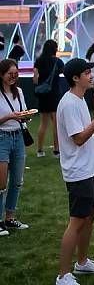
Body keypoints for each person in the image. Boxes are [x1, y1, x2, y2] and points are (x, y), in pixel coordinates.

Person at [55, 58, 94, 285]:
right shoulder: (69, 103)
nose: (91, 76)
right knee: (77, 220)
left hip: (91, 168)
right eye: (87, 73)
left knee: (90, 215)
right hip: (79, 171)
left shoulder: (79, 100)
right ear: (75, 78)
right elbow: (79, 138)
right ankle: (62, 276)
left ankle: (82, 263)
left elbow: (82, 132)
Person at [0, 59, 29, 237]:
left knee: (17, 181)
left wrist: (24, 117)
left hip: (18, 137)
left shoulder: (19, 92)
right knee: (1, 183)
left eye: (16, 74)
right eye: (10, 74)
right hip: (2, 137)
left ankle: (10, 218)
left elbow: (23, 112)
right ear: (1, 75)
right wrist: (9, 117)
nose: (13, 77)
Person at [33, 39, 64, 157]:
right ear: (55, 49)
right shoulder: (58, 62)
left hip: (43, 95)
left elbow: (35, 78)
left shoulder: (39, 61)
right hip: (54, 94)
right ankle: (56, 150)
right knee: (56, 124)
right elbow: (64, 73)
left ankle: (40, 150)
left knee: (43, 124)